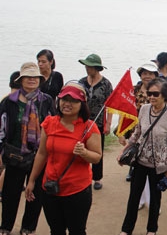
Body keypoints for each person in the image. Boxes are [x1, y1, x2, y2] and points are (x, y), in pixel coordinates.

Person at [25, 82, 102, 235]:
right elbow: (42, 153)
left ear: (82, 104)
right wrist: (32, 180)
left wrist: (84, 152)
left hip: (77, 190)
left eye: (73, 100)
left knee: (77, 230)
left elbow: (97, 158)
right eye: (64, 99)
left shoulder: (89, 127)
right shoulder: (49, 123)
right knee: (56, 230)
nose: (67, 104)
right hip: (50, 187)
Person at [118, 78, 167, 235]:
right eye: (149, 93)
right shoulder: (144, 109)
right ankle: (126, 229)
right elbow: (137, 132)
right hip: (140, 161)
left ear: (164, 95)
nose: (151, 97)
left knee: (155, 199)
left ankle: (152, 229)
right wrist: (124, 150)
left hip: (159, 165)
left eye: (155, 94)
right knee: (133, 197)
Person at [0, 62, 55, 235]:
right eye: (28, 77)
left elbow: (53, 125)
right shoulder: (9, 101)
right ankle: (6, 226)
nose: (31, 80)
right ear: (21, 79)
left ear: (40, 80)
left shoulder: (46, 101)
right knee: (10, 194)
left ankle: (28, 227)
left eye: (35, 77)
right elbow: (1, 128)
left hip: (39, 154)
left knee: (36, 194)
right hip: (15, 153)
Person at [124, 63, 160, 212]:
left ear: (155, 76)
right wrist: (122, 133)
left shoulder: (160, 91)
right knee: (137, 169)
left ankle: (153, 201)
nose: (147, 76)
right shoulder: (133, 90)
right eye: (144, 73)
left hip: (155, 134)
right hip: (136, 134)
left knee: (154, 170)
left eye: (150, 73)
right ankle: (140, 199)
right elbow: (125, 109)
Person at [78, 54, 113, 190]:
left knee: (97, 150)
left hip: (98, 123)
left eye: (90, 67)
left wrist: (108, 123)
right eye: (86, 66)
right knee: (81, 149)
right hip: (82, 121)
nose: (87, 69)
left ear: (97, 68)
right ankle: (82, 175)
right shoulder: (81, 82)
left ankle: (97, 178)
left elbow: (110, 105)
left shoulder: (105, 84)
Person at [0, 72, 22, 204]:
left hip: (5, 140)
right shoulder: (11, 100)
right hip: (8, 141)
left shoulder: (6, 98)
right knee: (7, 168)